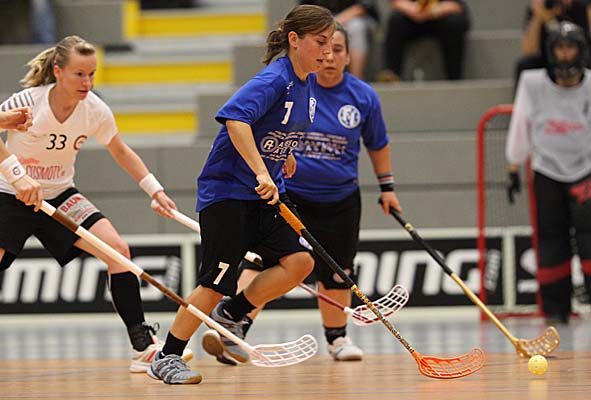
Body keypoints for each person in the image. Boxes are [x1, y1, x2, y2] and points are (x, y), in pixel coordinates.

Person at [146, 4, 335, 385]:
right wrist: (262, 169)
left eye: (331, 43)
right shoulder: (275, 78)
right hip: (229, 193)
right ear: (294, 40)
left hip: (266, 196)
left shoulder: (307, 83)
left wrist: (285, 154)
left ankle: (234, 313)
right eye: (320, 42)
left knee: (300, 262)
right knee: (214, 284)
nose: (327, 52)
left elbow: (277, 126)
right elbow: (236, 119)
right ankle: (166, 356)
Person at [201, 22, 402, 365]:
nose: (329, 56)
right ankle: (234, 330)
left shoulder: (363, 96)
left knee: (337, 271)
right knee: (266, 263)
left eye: (337, 49)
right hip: (290, 194)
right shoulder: (294, 84)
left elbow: (378, 143)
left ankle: (337, 340)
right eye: (324, 47)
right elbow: (261, 126)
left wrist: (387, 187)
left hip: (340, 198)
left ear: (349, 56)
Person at [0, 35, 192, 373]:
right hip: (10, 193)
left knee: (119, 252)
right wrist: (18, 177)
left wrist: (155, 189)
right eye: (79, 74)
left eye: (92, 74)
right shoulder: (29, 101)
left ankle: (142, 348)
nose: (87, 83)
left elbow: (120, 150)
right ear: (58, 71)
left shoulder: (94, 110)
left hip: (61, 195)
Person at [506, 21, 591, 324]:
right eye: (560, 47)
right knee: (550, 239)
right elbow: (520, 122)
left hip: (587, 171)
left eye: (570, 47)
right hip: (546, 170)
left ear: (581, 50)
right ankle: (555, 308)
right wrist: (514, 163)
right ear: (550, 51)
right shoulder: (532, 83)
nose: (565, 54)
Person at [379, 0, 470, 81]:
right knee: (395, 20)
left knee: (455, 23)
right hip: (412, 17)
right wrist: (411, 8)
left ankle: (454, 77)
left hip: (441, 16)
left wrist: (435, 9)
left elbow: (457, 5)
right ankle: (391, 74)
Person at [514, 0, 591, 87]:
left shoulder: (579, 6)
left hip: (576, 56)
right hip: (549, 58)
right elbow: (529, 51)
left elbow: (582, 41)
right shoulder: (540, 8)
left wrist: (551, 21)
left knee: (589, 64)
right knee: (524, 65)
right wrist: (537, 17)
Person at [299, 1, 379, 80]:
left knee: (356, 27)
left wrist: (334, 21)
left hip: (357, 18)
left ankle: (356, 80)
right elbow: (305, 10)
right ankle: (311, 79)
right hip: (323, 19)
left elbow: (363, 7)